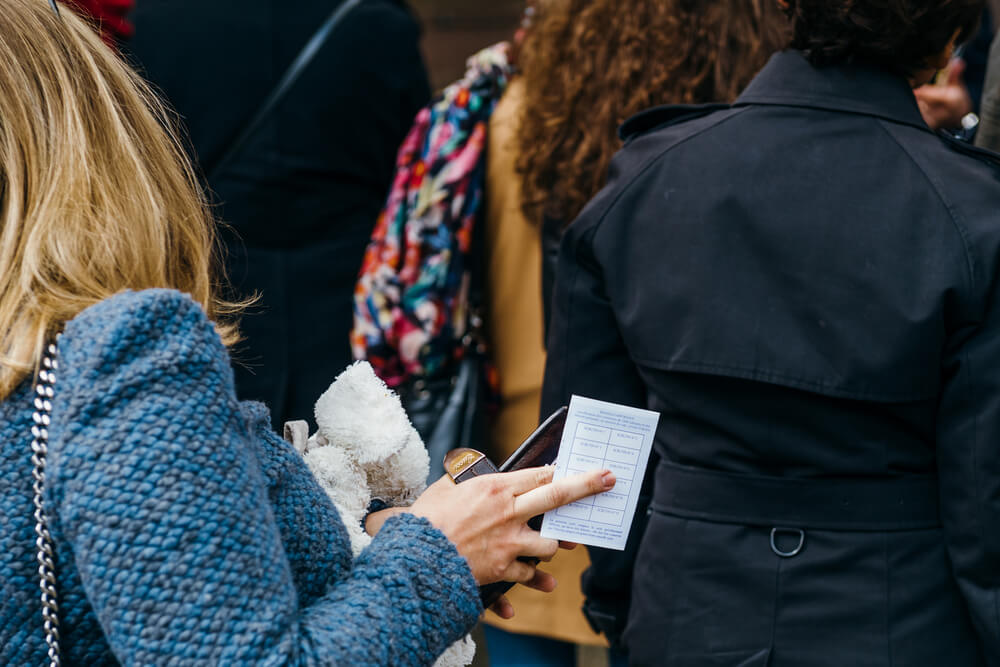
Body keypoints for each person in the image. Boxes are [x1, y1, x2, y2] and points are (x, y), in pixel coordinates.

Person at [0, 2, 614, 664]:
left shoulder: (167, 23)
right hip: (327, 312)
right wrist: (440, 553)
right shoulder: (125, 358)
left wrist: (364, 535)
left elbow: (158, 558)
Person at [541, 0, 1000, 664]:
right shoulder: (975, 217)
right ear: (949, 35)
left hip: (683, 603)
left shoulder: (641, 181)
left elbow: (592, 453)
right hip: (902, 614)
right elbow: (985, 498)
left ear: (780, 6)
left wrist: (616, 597)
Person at [481, 0, 788, 664]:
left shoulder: (521, 114)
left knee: (528, 621)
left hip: (538, 444)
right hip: (687, 471)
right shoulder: (736, 137)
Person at [125, 0, 432, 430]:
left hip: (215, 290)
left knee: (220, 462)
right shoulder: (378, 20)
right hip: (350, 295)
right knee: (360, 468)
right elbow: (410, 173)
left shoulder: (154, 23)